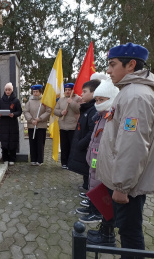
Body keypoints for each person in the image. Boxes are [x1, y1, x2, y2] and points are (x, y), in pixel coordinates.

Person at [88, 43, 154, 253]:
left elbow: (133, 144)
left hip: (128, 187)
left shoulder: (136, 96)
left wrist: (122, 187)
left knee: (130, 235)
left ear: (131, 65)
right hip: (125, 182)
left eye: (112, 64)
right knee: (127, 231)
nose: (108, 70)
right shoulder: (130, 92)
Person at [76, 79, 119, 225]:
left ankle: (98, 214)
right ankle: (93, 209)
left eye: (102, 100)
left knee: (99, 187)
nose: (98, 103)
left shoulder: (111, 117)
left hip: (102, 162)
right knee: (93, 184)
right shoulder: (100, 116)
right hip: (94, 159)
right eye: (97, 100)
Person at [68, 79, 100, 191]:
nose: (81, 94)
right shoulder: (88, 108)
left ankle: (89, 189)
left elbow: (93, 131)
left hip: (87, 146)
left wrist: (81, 143)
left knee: (89, 167)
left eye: (84, 91)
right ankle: (86, 185)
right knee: (85, 168)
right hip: (84, 145)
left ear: (94, 92)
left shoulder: (94, 109)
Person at [53, 83, 81, 169]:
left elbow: (79, 109)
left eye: (69, 90)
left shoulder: (78, 99)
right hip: (63, 126)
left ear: (73, 90)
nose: (67, 91)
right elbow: (55, 110)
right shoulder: (61, 100)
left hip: (73, 126)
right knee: (64, 146)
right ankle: (64, 162)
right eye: (66, 90)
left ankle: (71, 163)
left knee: (72, 146)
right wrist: (61, 113)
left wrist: (71, 102)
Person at [24, 84, 51, 166]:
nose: (35, 93)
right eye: (34, 91)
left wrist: (39, 119)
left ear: (40, 92)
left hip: (41, 126)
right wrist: (31, 120)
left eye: (36, 92)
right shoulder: (29, 102)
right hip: (32, 125)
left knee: (40, 143)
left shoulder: (44, 101)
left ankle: (40, 160)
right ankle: (33, 159)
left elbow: (48, 111)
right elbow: (26, 111)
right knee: (32, 143)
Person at [0, 82, 22, 165]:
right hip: (3, 124)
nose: (7, 91)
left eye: (9, 90)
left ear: (12, 90)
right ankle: (5, 158)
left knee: (12, 141)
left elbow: (19, 111)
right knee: (4, 141)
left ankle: (12, 158)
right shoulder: (1, 100)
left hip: (12, 123)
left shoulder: (16, 100)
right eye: (6, 90)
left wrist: (14, 114)